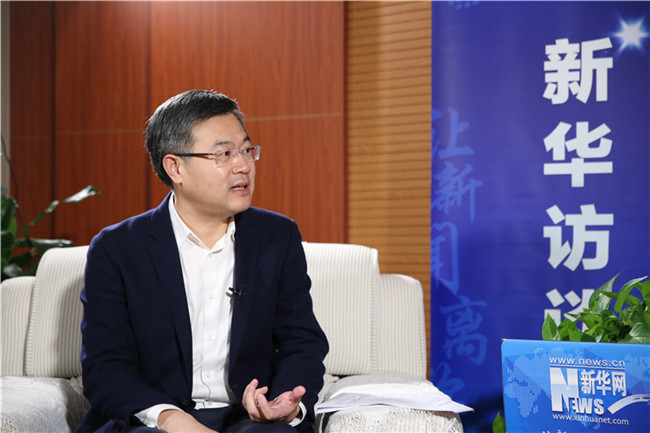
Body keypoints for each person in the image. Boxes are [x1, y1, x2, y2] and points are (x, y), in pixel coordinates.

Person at [78, 90, 329, 433]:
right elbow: (105, 366)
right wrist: (171, 418)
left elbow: (301, 341)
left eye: (246, 150)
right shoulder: (117, 249)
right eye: (224, 154)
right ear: (176, 167)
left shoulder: (277, 236)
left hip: (249, 420)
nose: (243, 166)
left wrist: (286, 403)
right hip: (154, 420)